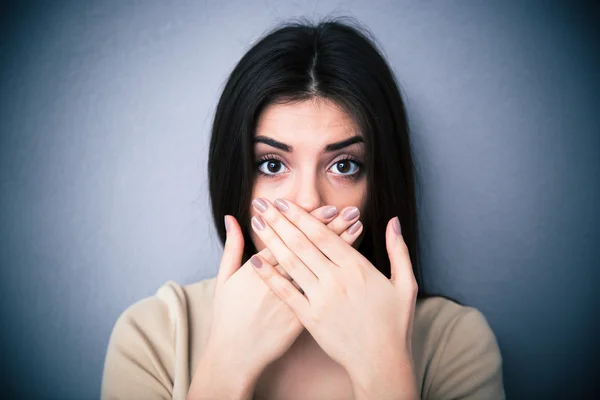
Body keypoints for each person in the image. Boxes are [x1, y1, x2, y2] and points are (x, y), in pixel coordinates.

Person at [101, 17, 505, 400]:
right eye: (273, 165)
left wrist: (383, 366)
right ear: (235, 179)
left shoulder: (454, 341)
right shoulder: (154, 335)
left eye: (344, 166)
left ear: (380, 182)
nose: (309, 201)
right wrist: (226, 365)